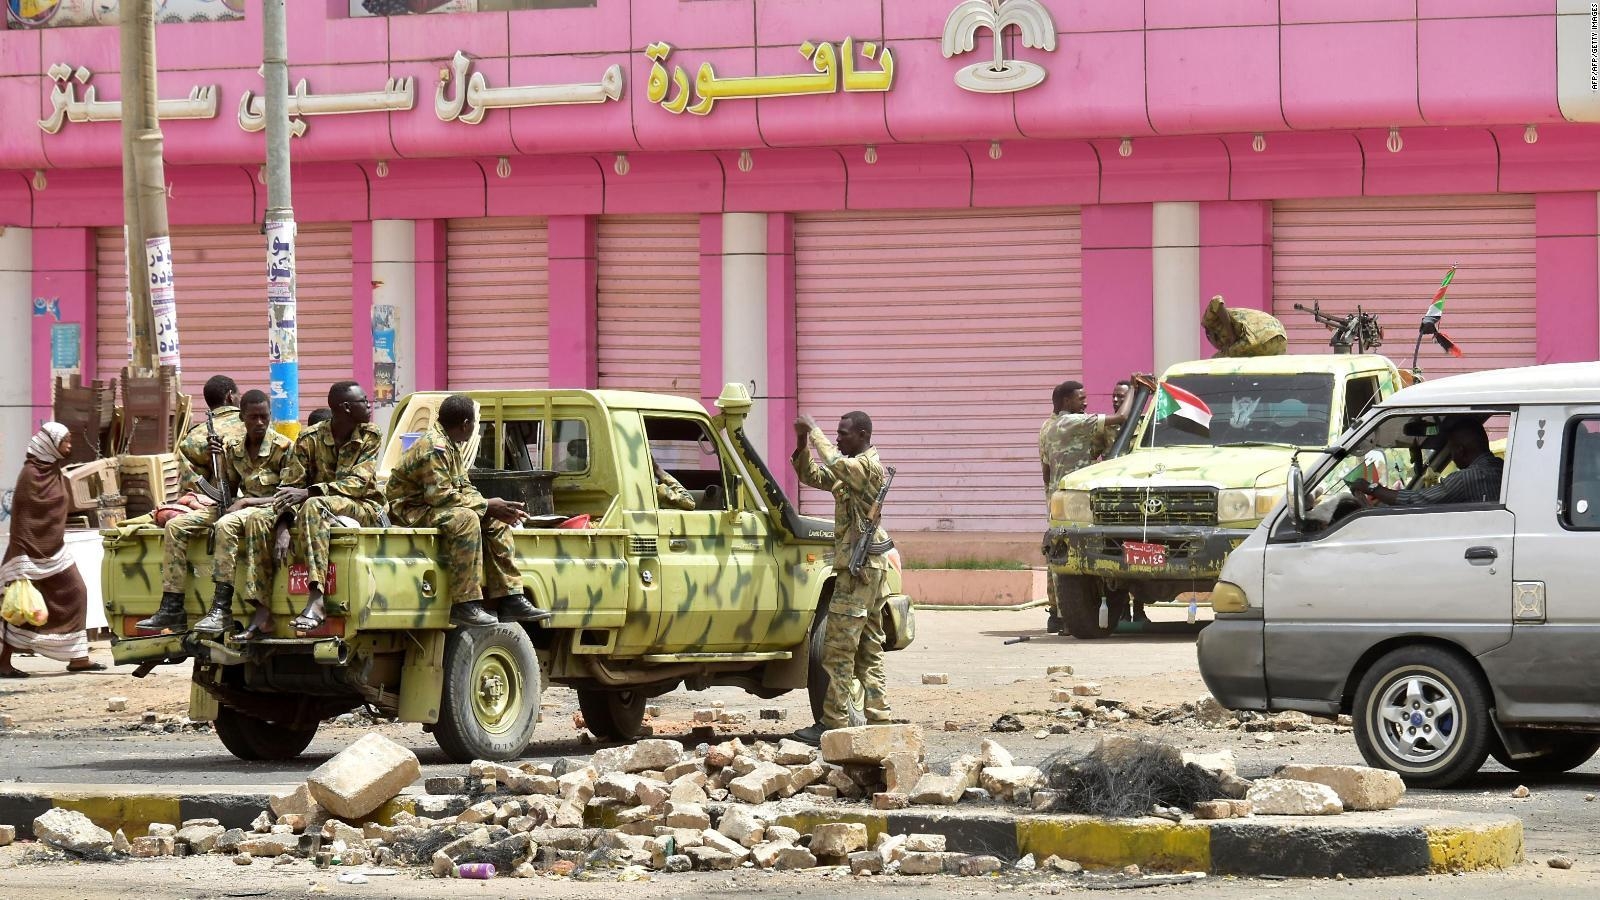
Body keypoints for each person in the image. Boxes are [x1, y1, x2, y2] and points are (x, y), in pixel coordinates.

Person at [385, 394, 545, 627]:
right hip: (411, 510)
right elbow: (438, 496)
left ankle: (510, 597)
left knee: (495, 520)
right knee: (466, 518)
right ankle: (465, 604)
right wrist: (487, 505)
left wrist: (493, 508)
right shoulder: (434, 446)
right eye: (475, 423)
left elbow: (464, 486)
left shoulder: (451, 443)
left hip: (432, 505)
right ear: (465, 424)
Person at [788, 410, 896, 745]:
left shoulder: (867, 468)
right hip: (868, 569)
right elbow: (811, 475)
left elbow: (835, 464)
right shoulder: (850, 470)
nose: (838, 438)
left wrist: (815, 430)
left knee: (838, 649)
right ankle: (880, 719)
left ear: (863, 434)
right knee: (868, 648)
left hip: (860, 571)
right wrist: (801, 440)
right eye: (836, 433)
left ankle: (832, 722)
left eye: (844, 433)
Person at [271, 381, 386, 634]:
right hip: (324, 509)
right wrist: (283, 526)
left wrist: (309, 492)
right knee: (282, 512)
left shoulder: (370, 434)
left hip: (363, 507)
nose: (369, 405)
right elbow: (289, 488)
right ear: (345, 407)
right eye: (363, 401)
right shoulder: (309, 438)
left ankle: (316, 597)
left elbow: (357, 484)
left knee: (313, 504)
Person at [1039, 376, 1147, 633]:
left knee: (1058, 554)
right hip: (1078, 500)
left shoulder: (1047, 427)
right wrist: (1136, 389)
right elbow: (1121, 418)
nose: (1086, 403)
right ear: (1067, 401)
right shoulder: (1074, 422)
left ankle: (1058, 615)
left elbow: (1045, 470)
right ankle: (1072, 618)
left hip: (1056, 496)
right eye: (1081, 399)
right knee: (1081, 555)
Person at [0, 424, 106, 676]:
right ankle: (3, 661)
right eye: (65, 441)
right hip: (28, 553)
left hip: (54, 551)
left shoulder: (52, 471)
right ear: (50, 443)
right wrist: (25, 556)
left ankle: (78, 657)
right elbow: (26, 519)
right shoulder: (31, 475)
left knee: (76, 592)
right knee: (20, 607)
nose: (69, 446)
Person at [190, 390, 295, 637]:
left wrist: (246, 502)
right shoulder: (235, 449)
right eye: (253, 417)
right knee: (223, 521)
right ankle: (220, 609)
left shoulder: (284, 448)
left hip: (272, 509)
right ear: (242, 418)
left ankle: (221, 607)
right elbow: (225, 489)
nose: (259, 422)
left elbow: (288, 494)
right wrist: (216, 459)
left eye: (264, 416)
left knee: (226, 524)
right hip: (244, 510)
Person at [1350, 418, 1503, 507]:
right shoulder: (1501, 468)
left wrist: (1370, 488)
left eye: (1451, 449)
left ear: (1461, 450)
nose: (1451, 454)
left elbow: (1416, 500)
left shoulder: (1467, 478)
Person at [177, 375, 247, 495]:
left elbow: (190, 487)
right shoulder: (254, 423)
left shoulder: (193, 437)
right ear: (230, 395)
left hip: (210, 505)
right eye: (238, 395)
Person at [1201, 295, 1287, 358]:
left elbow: (1216, 300)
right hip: (1279, 339)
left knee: (1218, 359)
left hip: (1259, 333)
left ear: (1211, 335)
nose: (1222, 346)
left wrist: (1231, 335)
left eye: (1220, 344)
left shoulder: (1209, 322)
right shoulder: (1237, 343)